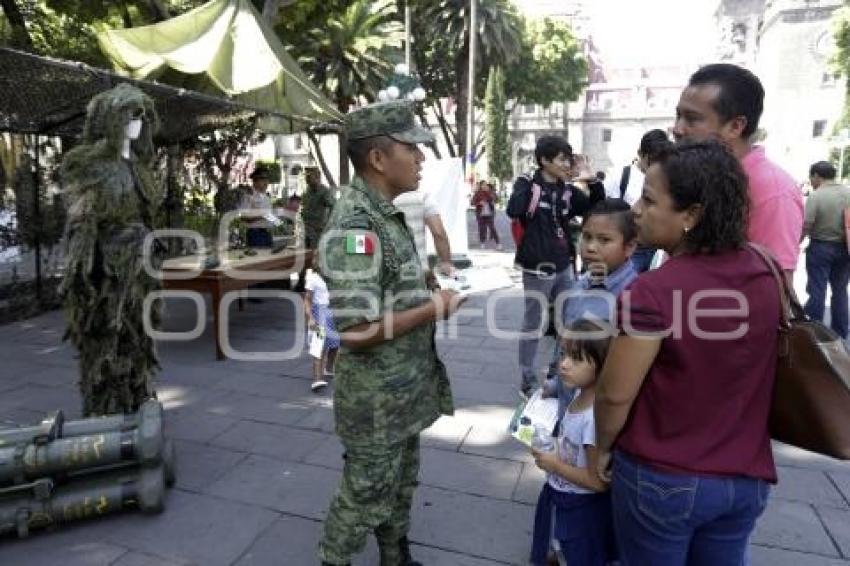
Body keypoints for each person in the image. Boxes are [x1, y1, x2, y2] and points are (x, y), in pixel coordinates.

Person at [594, 140, 779, 565]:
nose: (635, 210)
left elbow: (614, 394)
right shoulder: (766, 269)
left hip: (665, 478)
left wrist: (602, 447)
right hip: (745, 479)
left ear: (692, 215)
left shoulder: (653, 291)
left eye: (648, 199)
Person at [318, 100, 464, 566]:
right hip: (376, 400)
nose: (422, 159)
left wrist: (424, 282)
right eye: (412, 149)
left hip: (402, 388)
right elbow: (355, 332)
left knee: (401, 482)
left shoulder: (386, 213)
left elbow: (389, 282)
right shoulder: (356, 226)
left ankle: (395, 558)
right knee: (363, 494)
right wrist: (432, 308)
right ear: (379, 159)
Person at [60, 83, 161, 416]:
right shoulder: (85, 163)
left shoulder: (141, 167)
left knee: (139, 338)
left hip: (140, 270)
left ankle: (138, 401)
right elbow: (80, 222)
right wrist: (84, 276)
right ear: (108, 119)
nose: (137, 121)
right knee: (106, 341)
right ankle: (105, 411)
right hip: (105, 274)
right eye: (130, 115)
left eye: (142, 116)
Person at [672, 63, 803, 278]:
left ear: (735, 126)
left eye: (692, 119)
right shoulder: (696, 174)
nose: (677, 129)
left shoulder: (774, 193)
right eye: (678, 116)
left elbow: (774, 290)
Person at [507, 135, 605, 396]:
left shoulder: (567, 191)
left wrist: (591, 179)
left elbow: (596, 208)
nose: (566, 164)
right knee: (533, 321)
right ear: (544, 161)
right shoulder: (529, 185)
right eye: (562, 159)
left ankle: (555, 370)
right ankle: (527, 378)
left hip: (564, 265)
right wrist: (529, 186)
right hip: (537, 267)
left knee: (567, 321)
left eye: (568, 159)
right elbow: (513, 209)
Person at [530, 318, 618, 566]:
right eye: (564, 354)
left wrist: (554, 465)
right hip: (561, 492)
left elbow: (596, 482)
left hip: (580, 506)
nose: (564, 365)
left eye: (576, 359)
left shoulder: (593, 419)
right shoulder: (580, 394)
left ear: (602, 367)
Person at [544, 198, 639, 415]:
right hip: (567, 408)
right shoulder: (581, 283)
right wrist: (555, 384)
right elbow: (565, 344)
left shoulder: (632, 298)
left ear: (630, 246)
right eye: (586, 237)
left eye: (604, 240)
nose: (590, 247)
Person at [605, 129, 672, 272]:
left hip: (658, 246)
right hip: (633, 247)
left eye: (659, 159)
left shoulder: (665, 177)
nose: (654, 164)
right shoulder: (621, 176)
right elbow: (610, 214)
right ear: (640, 153)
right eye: (651, 159)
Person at [803, 160, 850, 338]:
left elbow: (807, 223)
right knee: (840, 291)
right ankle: (841, 332)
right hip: (845, 249)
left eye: (811, 178)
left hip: (821, 247)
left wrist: (798, 240)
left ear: (816, 176)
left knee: (817, 290)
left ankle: (815, 333)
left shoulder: (817, 196)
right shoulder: (848, 193)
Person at [393, 188, 454, 285]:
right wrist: (445, 262)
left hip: (391, 273)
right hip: (419, 271)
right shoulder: (422, 198)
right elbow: (438, 233)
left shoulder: (379, 198)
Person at [303, 255, 339, 392]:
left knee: (335, 344)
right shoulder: (313, 278)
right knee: (319, 346)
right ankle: (317, 379)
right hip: (319, 314)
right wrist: (311, 317)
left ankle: (328, 369)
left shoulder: (333, 277)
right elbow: (307, 300)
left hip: (332, 313)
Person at [301, 166, 335, 249]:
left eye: (309, 176)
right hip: (306, 230)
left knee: (315, 255)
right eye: (305, 176)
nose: (306, 178)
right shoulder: (307, 191)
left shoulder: (324, 191)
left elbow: (334, 207)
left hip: (317, 231)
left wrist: (328, 224)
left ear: (317, 176)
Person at [240, 164, 274, 248]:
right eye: (262, 180)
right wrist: (262, 216)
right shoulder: (248, 196)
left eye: (267, 179)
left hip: (267, 233)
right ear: (255, 181)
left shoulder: (266, 196)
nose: (266, 183)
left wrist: (279, 223)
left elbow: (268, 215)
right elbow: (243, 217)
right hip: (255, 234)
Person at [471, 180, 501, 250]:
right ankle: (482, 243)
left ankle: (498, 243)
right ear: (481, 186)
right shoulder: (478, 193)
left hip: (489, 213)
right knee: (482, 229)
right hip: (480, 214)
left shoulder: (490, 192)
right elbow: (472, 202)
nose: (485, 186)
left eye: (486, 185)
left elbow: (496, 199)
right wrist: (479, 203)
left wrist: (490, 194)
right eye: (483, 185)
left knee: (492, 228)